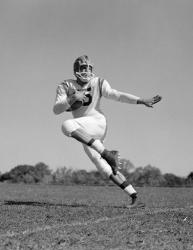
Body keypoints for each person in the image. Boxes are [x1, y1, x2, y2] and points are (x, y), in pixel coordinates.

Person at [53, 55, 162, 208]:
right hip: (83, 130)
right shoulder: (65, 85)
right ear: (76, 70)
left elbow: (116, 95)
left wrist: (140, 100)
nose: (86, 70)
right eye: (83, 68)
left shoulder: (98, 82)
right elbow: (56, 109)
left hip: (97, 123)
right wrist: (70, 99)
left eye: (89, 68)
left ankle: (108, 154)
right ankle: (134, 196)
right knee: (104, 168)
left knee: (66, 126)